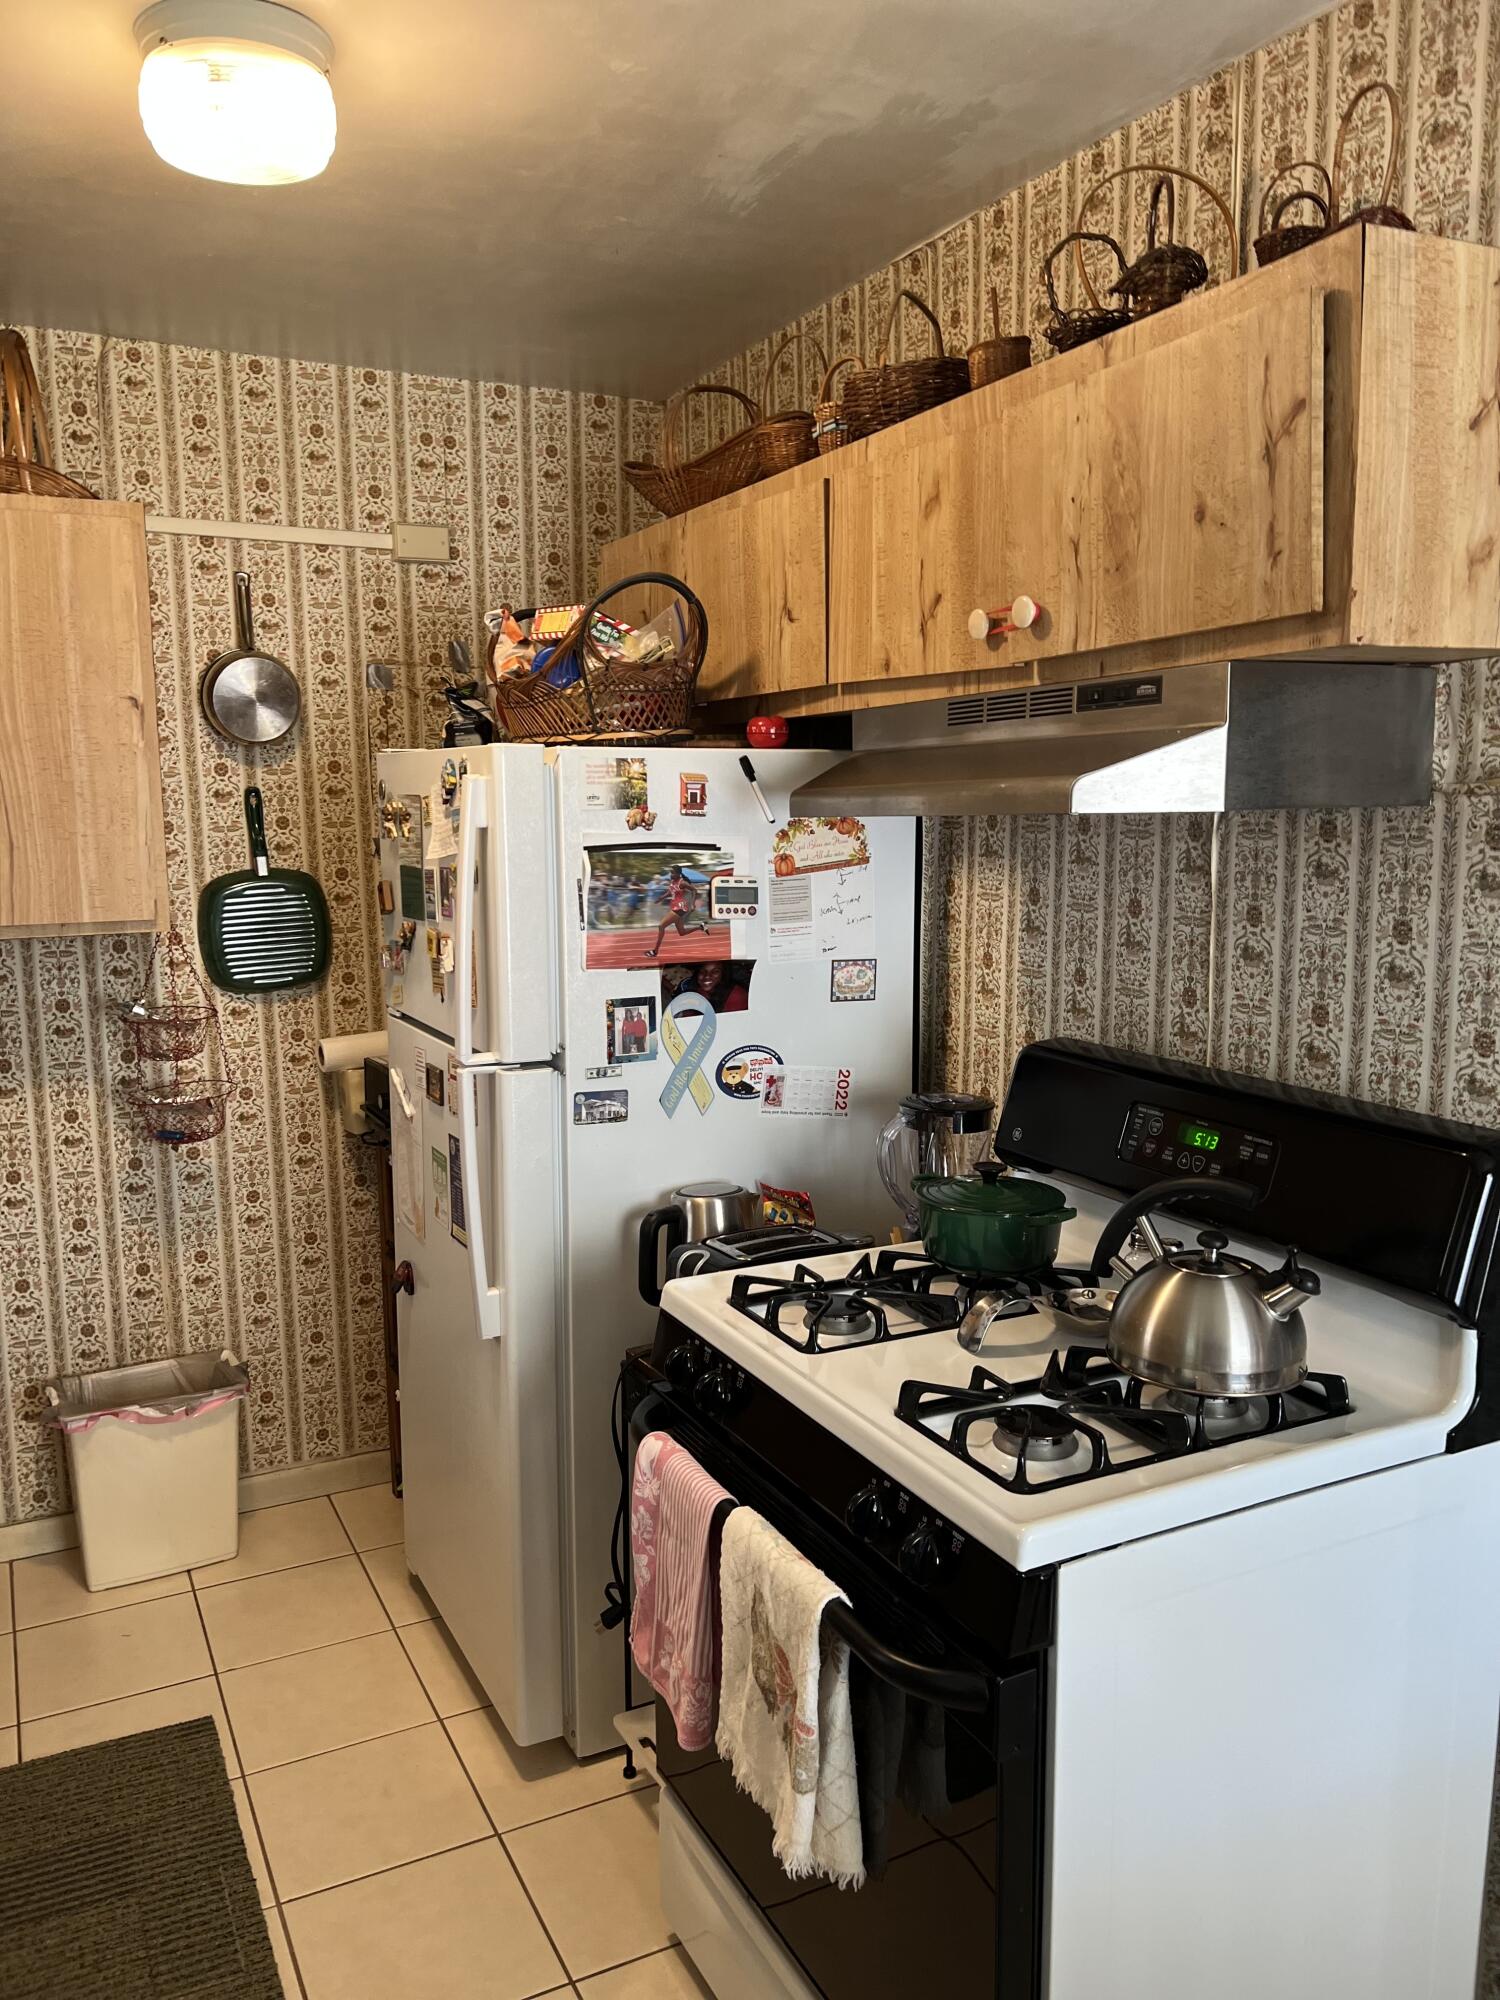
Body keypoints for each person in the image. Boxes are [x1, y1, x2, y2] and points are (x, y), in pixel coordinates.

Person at [643, 866, 708, 958]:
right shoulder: (673, 882)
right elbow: (670, 892)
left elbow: (694, 890)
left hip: (680, 908)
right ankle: (701, 927)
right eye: (671, 873)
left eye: (673, 873)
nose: (671, 875)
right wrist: (661, 898)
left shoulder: (682, 883)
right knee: (682, 932)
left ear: (678, 874)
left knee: (661, 926)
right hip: (675, 907)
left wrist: (693, 904)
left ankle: (655, 951)